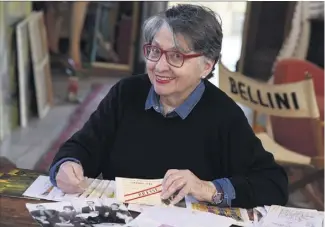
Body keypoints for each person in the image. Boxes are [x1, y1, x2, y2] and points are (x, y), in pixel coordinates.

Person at [49, 4, 288, 209]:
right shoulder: (126, 94)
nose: (160, 66)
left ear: (206, 66)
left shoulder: (223, 114)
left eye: (176, 56)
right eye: (155, 51)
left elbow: (273, 183)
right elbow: (81, 147)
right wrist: (69, 164)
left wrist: (208, 189)